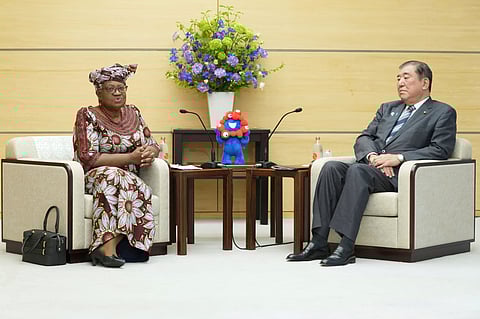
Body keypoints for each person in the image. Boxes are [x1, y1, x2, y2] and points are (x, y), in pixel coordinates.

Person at [286, 60, 456, 266]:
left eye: (406, 77)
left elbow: (440, 149)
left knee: (358, 171)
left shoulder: (442, 112)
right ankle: (319, 242)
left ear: (425, 82)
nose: (400, 82)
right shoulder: (387, 108)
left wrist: (398, 158)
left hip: (399, 174)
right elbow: (364, 138)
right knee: (330, 167)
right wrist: (372, 157)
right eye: (398, 78)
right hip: (372, 165)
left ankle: (346, 246)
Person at [73, 63, 161, 268]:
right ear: (98, 92)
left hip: (129, 179)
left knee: (133, 183)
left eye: (121, 88)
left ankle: (113, 246)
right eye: (111, 89)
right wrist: (130, 158)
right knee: (114, 177)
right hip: (96, 177)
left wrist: (151, 152)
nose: (117, 93)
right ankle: (108, 248)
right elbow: (88, 157)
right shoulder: (87, 115)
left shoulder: (134, 113)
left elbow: (152, 143)